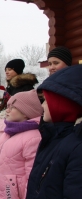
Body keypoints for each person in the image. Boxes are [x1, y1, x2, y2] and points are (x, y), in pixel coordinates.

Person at [26, 65, 82, 199]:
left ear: (63, 104)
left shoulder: (77, 147)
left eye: (46, 100)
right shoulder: (51, 137)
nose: (42, 105)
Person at [0, 90, 43, 199]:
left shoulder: (33, 138)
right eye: (7, 106)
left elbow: (32, 178)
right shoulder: (8, 132)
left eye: (12, 107)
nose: (7, 110)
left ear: (26, 112)